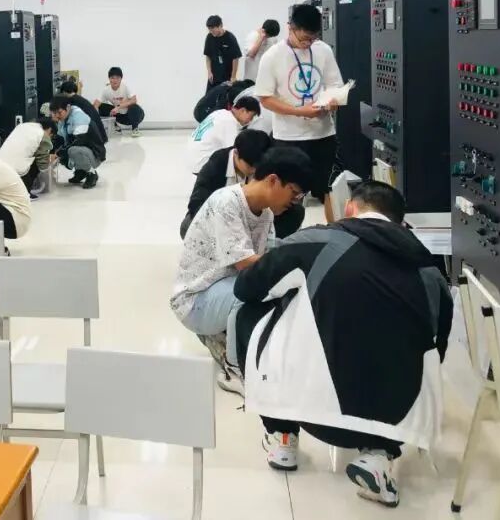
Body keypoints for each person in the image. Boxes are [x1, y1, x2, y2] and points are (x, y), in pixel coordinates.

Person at [233, 181, 453, 507]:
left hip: (311, 410)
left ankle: (282, 436)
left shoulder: (317, 241)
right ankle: (378, 457)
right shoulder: (430, 271)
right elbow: (440, 348)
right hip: (397, 420)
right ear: (399, 221)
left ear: (350, 208)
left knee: (249, 313)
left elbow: (246, 287)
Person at [171, 148, 312, 393]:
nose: (294, 202)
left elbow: (265, 260)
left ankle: (236, 342)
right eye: (294, 193)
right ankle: (234, 370)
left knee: (273, 290)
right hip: (195, 300)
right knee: (249, 290)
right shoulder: (227, 202)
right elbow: (246, 263)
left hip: (221, 292)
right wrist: (293, 261)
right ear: (273, 180)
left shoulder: (265, 214)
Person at [256, 4, 344, 223]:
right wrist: (298, 111)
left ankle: (335, 234)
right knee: (288, 194)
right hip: (289, 137)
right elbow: (265, 98)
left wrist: (333, 101)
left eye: (313, 39)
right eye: (304, 39)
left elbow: (335, 85)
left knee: (330, 189)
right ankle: (284, 237)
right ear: (291, 28)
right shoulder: (273, 56)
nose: (308, 44)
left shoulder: (323, 50)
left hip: (323, 134)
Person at [181, 129, 305, 240]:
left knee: (295, 213)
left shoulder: (268, 164)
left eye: (258, 166)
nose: (254, 170)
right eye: (250, 166)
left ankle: (266, 245)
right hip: (223, 219)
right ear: (236, 153)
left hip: (257, 218)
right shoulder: (217, 164)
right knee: (189, 225)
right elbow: (196, 202)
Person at [185, 96, 261, 174]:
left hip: (193, 160)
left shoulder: (220, 112)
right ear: (243, 110)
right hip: (202, 165)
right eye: (252, 116)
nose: (251, 120)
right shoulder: (229, 122)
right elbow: (235, 152)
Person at [49, 94, 106, 189]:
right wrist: (50, 152)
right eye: (54, 113)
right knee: (63, 151)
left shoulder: (79, 117)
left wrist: (57, 154)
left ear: (68, 107)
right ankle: (81, 171)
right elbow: (59, 138)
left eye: (59, 112)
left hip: (95, 154)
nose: (57, 116)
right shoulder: (63, 118)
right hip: (83, 149)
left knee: (72, 150)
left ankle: (92, 174)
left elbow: (78, 141)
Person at [0, 117, 57, 197]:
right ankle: (25, 192)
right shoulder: (42, 134)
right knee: (37, 162)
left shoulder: (22, 126)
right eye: (51, 135)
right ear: (49, 129)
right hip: (16, 171)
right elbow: (42, 166)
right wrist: (49, 159)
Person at [95, 66, 145, 137]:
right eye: (112, 78)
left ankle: (135, 129)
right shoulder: (106, 90)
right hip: (120, 117)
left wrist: (118, 107)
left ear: (121, 79)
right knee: (100, 107)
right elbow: (96, 104)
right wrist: (95, 117)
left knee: (133, 106)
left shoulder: (125, 86)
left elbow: (134, 100)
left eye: (117, 78)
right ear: (109, 79)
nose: (115, 80)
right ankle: (116, 127)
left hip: (134, 116)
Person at [59, 79, 108, 144]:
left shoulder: (71, 102)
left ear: (64, 92)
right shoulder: (80, 99)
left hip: (93, 138)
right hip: (101, 135)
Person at [203, 15, 242, 91]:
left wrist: (233, 77)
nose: (211, 31)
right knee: (209, 97)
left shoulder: (230, 38)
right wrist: (209, 72)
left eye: (213, 28)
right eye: (209, 29)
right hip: (213, 77)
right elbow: (208, 56)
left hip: (227, 77)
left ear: (220, 25)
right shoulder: (209, 37)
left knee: (223, 97)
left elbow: (235, 58)